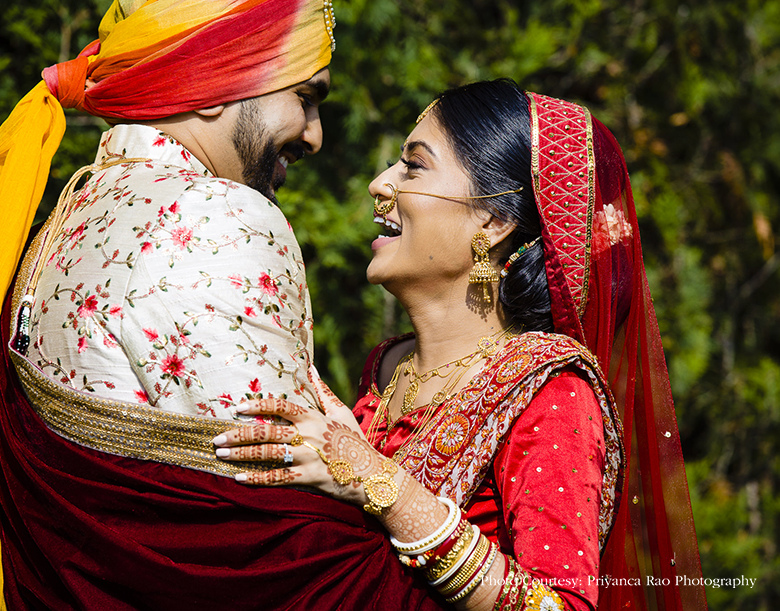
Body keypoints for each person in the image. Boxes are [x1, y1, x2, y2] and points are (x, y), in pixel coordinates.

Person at [0, 1, 448, 609]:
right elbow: (287, 536)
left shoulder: (69, 211)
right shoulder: (218, 217)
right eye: (306, 98)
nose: (314, 135)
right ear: (214, 77)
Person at [214, 80, 708, 610]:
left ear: (493, 221)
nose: (380, 184)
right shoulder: (387, 369)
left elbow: (561, 604)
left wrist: (381, 482)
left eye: (413, 166)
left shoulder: (550, 392)